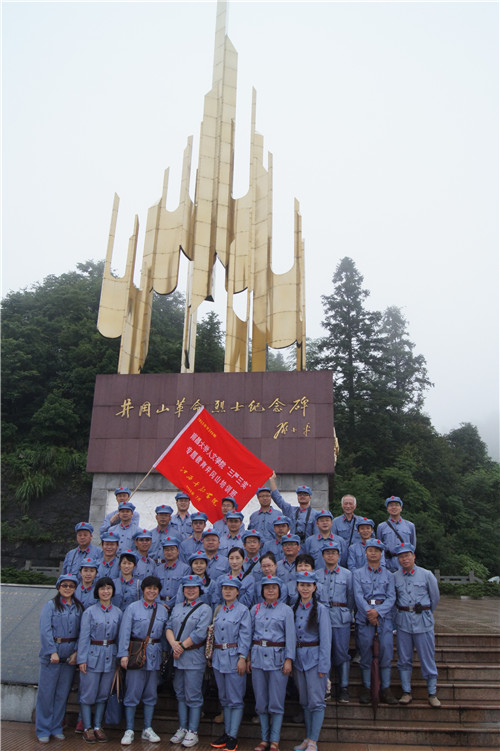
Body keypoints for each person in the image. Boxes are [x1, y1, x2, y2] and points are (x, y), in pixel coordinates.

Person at [117, 575, 169, 745]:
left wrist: (165, 655)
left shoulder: (162, 610)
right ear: (143, 590)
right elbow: (125, 632)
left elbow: (164, 636)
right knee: (132, 693)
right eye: (149, 588)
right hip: (136, 654)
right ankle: (129, 729)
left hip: (154, 656)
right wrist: (123, 654)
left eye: (155, 589)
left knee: (151, 694)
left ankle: (147, 728)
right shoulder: (132, 608)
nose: (152, 591)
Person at [249, 575, 296, 751]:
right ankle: (264, 739)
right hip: (258, 658)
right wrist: (247, 657)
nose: (270, 590)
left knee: (276, 700)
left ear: (279, 590)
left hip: (278, 658)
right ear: (262, 591)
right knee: (261, 700)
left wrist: (289, 659)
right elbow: (249, 634)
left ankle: (274, 740)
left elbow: (290, 636)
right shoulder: (255, 609)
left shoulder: (286, 610)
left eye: (274, 587)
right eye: (267, 587)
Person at [36, 574, 83, 743]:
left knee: (62, 695)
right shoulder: (51, 606)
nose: (68, 588)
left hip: (69, 656)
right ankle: (43, 728)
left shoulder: (78, 607)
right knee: (46, 694)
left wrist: (76, 652)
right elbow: (45, 630)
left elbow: (82, 631)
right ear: (58, 587)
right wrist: (51, 651)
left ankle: (56, 727)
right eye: (65, 585)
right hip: (53, 654)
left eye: (71, 586)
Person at [166, 574, 212, 748]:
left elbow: (200, 633)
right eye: (187, 587)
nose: (191, 590)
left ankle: (193, 730)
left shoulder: (204, 608)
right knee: (180, 693)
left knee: (193, 695)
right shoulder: (177, 607)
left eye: (194, 587)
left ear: (200, 589)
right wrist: (173, 644)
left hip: (193, 656)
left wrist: (181, 647)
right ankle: (182, 727)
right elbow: (169, 626)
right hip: (177, 657)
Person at [393, 543, 441, 707]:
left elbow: (435, 597)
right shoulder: (395, 577)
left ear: (413, 556)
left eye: (407, 555)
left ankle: (432, 693)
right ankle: (406, 692)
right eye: (401, 556)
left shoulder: (426, 575)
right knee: (404, 658)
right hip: (403, 621)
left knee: (427, 657)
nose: (404, 559)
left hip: (423, 621)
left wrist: (426, 612)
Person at [77, 576, 122, 742]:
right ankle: (87, 727)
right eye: (102, 588)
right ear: (97, 591)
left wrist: (119, 658)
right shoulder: (89, 612)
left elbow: (120, 637)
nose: (105, 591)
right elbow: (84, 637)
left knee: (103, 693)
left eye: (109, 588)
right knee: (88, 693)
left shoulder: (118, 612)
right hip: (92, 655)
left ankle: (97, 726)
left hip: (110, 655)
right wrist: (82, 659)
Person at [352, 539, 398, 705]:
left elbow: (391, 597)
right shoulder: (357, 574)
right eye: (370, 550)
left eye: (377, 550)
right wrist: (369, 612)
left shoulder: (389, 575)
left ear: (381, 553)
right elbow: (357, 595)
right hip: (365, 618)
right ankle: (366, 687)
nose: (373, 553)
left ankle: (385, 688)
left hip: (383, 619)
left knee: (386, 653)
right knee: (365, 653)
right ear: (365, 552)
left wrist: (378, 612)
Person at [209, 575, 252, 751]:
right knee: (224, 698)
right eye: (225, 588)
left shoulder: (242, 610)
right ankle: (227, 733)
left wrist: (242, 657)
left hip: (234, 656)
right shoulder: (219, 609)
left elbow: (245, 635)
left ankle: (233, 735)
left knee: (235, 698)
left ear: (237, 592)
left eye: (231, 589)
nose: (227, 591)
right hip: (219, 657)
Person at [292, 571, 331, 751]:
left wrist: (324, 665)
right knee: (305, 701)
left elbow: (326, 640)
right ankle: (307, 738)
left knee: (316, 702)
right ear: (297, 587)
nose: (305, 589)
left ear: (314, 587)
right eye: (302, 585)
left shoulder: (321, 609)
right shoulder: (294, 608)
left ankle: (314, 740)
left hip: (315, 659)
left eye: (308, 585)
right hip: (299, 660)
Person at [315, 540, 354, 703]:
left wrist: (347, 612)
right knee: (324, 652)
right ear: (323, 556)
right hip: (322, 617)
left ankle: (344, 687)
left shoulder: (347, 574)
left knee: (342, 653)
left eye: (334, 553)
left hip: (340, 617)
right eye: (327, 553)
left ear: (339, 555)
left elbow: (351, 597)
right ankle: (326, 687)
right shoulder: (316, 575)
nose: (330, 555)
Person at [269, 472, 318, 543]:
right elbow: (278, 499)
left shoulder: (315, 514)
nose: (302, 496)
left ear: (310, 497)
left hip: (307, 547)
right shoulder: (291, 510)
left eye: (305, 494)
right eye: (300, 494)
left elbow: (316, 536)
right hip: (292, 546)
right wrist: (272, 480)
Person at [376, 496, 417, 573]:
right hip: (388, 564)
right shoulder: (381, 527)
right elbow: (379, 547)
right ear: (387, 509)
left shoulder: (410, 526)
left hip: (405, 563)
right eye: (391, 505)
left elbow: (413, 545)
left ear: (401, 508)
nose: (394, 507)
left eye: (396, 505)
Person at [155, 537, 191, 609]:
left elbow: (183, 590)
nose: (169, 552)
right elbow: (154, 588)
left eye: (172, 549)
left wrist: (170, 605)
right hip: (159, 606)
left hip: (177, 606)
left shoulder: (185, 569)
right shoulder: (157, 569)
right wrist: (160, 604)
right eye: (166, 550)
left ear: (178, 551)